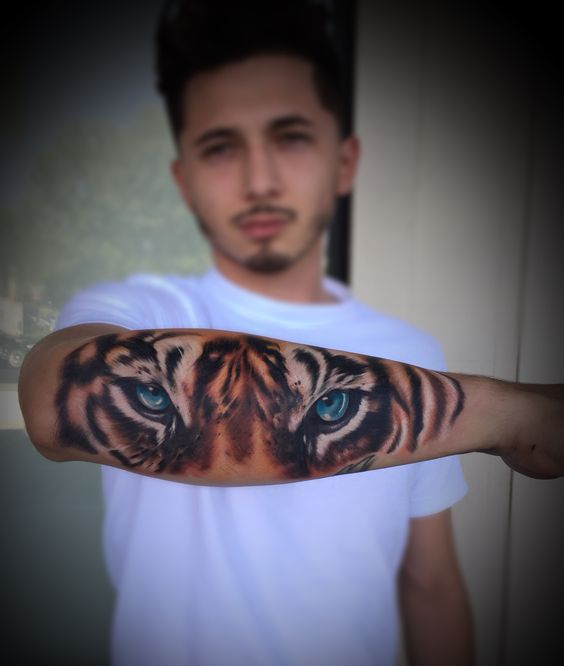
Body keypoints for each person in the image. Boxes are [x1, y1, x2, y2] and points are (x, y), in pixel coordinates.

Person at [17, 1, 564, 665]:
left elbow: (430, 582)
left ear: (344, 161)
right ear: (184, 180)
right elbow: (53, 402)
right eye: (221, 147)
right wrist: (510, 416)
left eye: (291, 137)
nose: (260, 180)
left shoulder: (411, 354)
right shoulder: (133, 309)